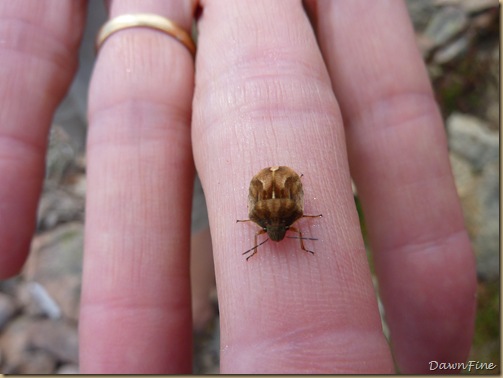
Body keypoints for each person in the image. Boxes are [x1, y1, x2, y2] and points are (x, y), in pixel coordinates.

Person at [0, 0, 477, 374]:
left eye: (272, 238)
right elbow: (283, 200)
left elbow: (271, 199)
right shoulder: (285, 220)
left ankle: (199, 288)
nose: (274, 239)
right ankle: (200, 289)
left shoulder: (277, 220)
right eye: (273, 238)